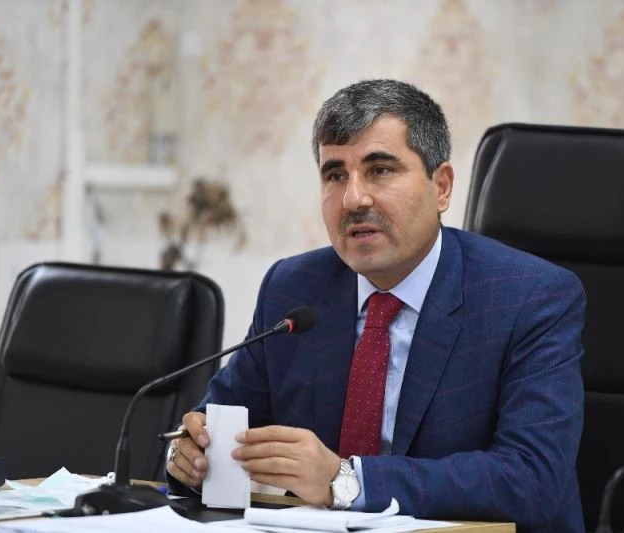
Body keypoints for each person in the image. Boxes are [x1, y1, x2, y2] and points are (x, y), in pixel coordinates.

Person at [166, 79, 586, 532]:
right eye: (335, 175)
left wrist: (345, 480)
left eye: (380, 170)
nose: (353, 199)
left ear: (442, 187)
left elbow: (532, 477)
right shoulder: (293, 289)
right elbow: (217, 425)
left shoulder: (529, 298)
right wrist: (189, 457)